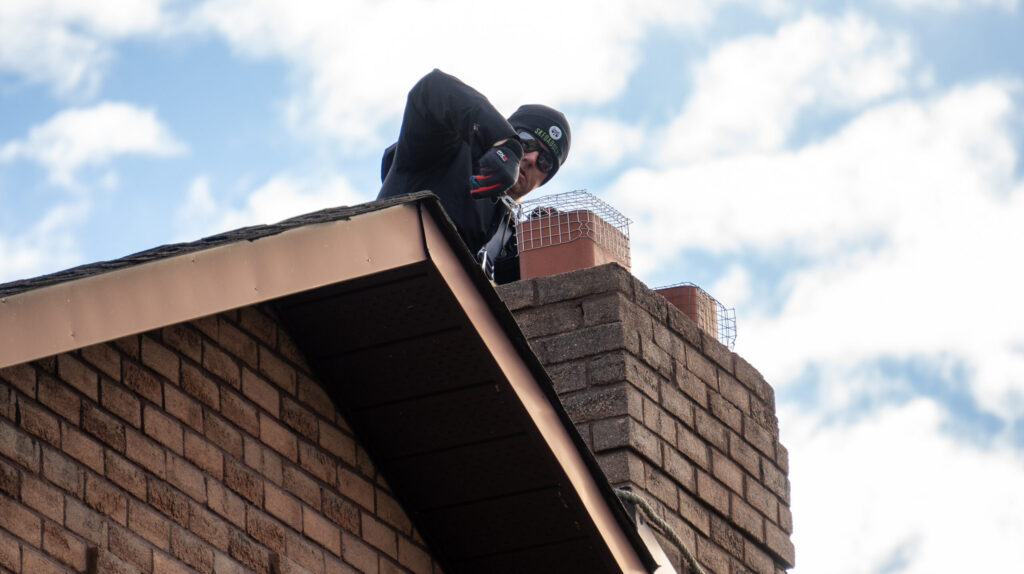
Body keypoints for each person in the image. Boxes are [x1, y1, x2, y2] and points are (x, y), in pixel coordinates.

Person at [377, 69, 570, 283]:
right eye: (526, 142)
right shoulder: (444, 150)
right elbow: (432, 87)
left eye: (545, 161)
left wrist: (540, 251)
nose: (532, 158)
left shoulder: (509, 237)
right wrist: (505, 144)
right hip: (379, 276)